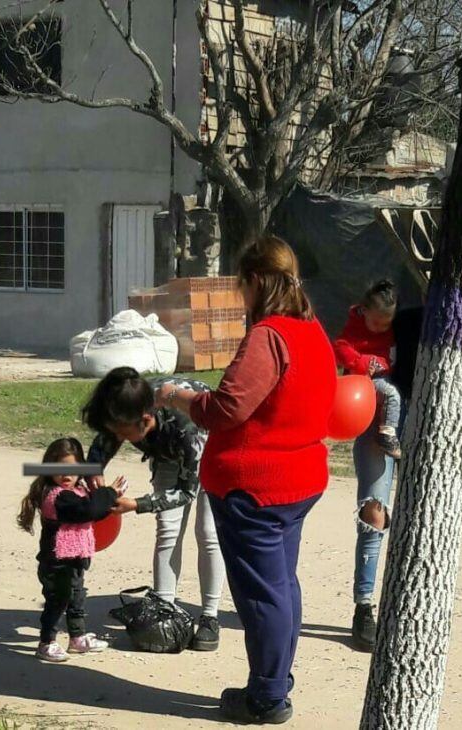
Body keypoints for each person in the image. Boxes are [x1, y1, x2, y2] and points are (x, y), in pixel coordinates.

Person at [156, 235, 337, 725]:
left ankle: (268, 697)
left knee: (263, 596)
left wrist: (179, 397)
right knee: (283, 587)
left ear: (255, 282)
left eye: (242, 287)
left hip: (255, 486)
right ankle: (276, 681)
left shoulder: (269, 336)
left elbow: (227, 408)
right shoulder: (312, 330)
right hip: (299, 481)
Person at [83, 371, 225, 652]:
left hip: (212, 450)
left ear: (146, 420)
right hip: (167, 452)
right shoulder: (128, 405)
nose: (120, 439)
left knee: (208, 532)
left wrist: (137, 505)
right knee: (168, 529)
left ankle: (210, 617)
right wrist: (93, 470)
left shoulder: (187, 427)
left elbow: (186, 492)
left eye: (124, 435)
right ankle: (164, 608)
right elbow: (106, 440)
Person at [340, 298, 424, 652]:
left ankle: (408, 606)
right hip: (379, 427)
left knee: (421, 519)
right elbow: (355, 352)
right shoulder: (397, 320)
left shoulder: (460, 319)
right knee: (373, 512)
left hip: (426, 427)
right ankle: (364, 606)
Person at [17, 437, 123, 663]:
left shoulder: (79, 491)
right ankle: (47, 642)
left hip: (75, 558)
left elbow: (95, 512)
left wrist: (110, 502)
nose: (67, 475)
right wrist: (109, 493)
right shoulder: (57, 496)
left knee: (77, 598)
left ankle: (77, 638)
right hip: (56, 562)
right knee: (57, 600)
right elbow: (87, 511)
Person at [334, 279, 403, 459]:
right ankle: (387, 434)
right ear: (364, 311)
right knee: (392, 394)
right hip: (358, 379)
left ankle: (386, 430)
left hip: (377, 375)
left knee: (390, 393)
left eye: (385, 324)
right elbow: (340, 348)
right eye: (375, 323)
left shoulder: (389, 334)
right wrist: (361, 362)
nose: (379, 329)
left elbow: (390, 357)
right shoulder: (355, 326)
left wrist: (380, 365)